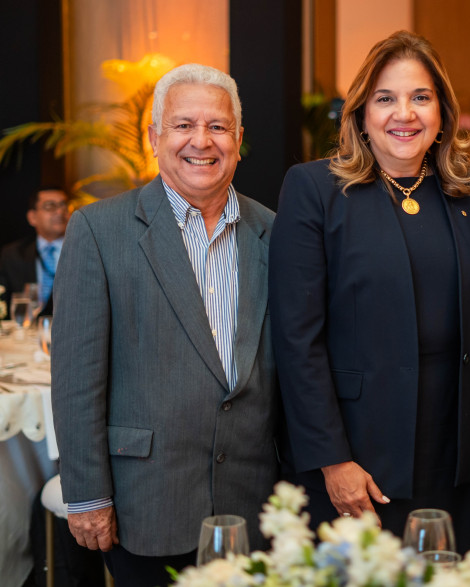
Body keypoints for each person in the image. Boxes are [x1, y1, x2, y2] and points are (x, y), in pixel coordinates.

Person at [269, 30, 470, 565]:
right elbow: (296, 339)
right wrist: (333, 460)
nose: (404, 113)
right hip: (359, 454)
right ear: (361, 114)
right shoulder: (314, 190)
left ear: (442, 113)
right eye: (385, 98)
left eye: (420, 97)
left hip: (456, 449)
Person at [51, 63, 279, 587]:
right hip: (146, 501)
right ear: (154, 137)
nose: (202, 140)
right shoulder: (99, 230)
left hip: (253, 500)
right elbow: (76, 378)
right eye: (183, 125)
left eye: (218, 127)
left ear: (239, 139)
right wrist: (87, 496)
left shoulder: (275, 230)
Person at [0, 187, 70, 314]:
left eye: (64, 205)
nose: (60, 212)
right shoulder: (13, 254)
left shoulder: (85, 251)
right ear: (32, 217)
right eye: (50, 207)